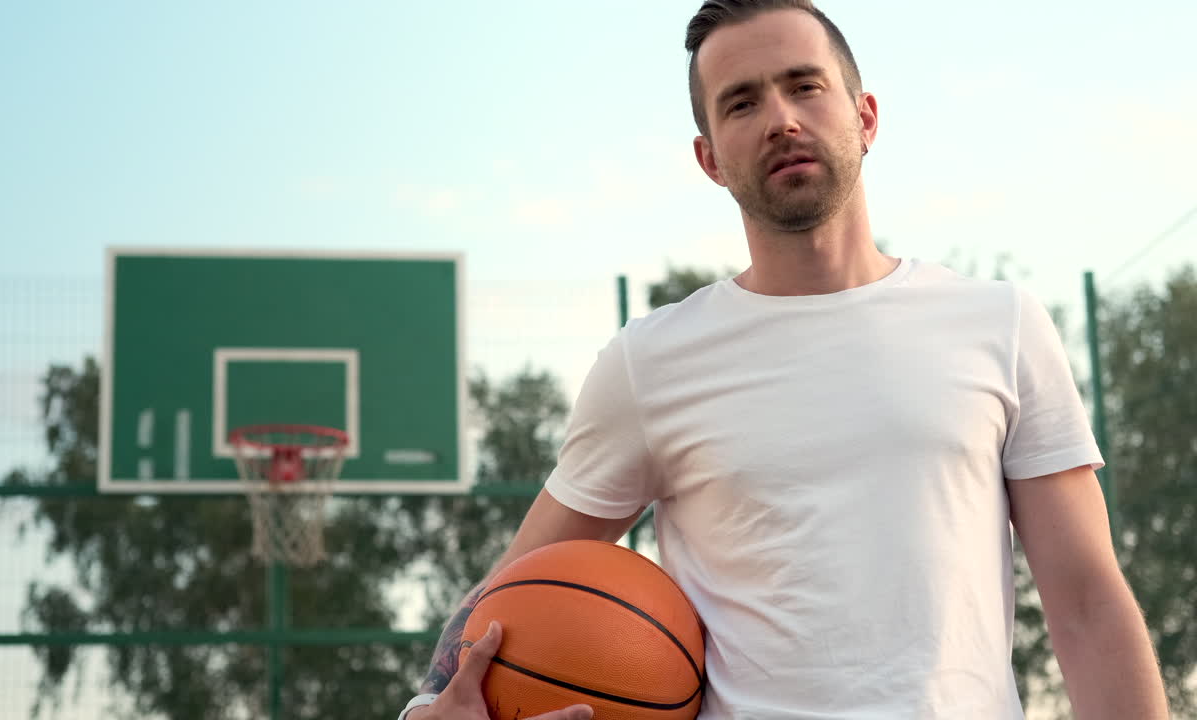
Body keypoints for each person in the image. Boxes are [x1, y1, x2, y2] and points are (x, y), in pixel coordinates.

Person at [397, 1, 1170, 718]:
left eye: (805, 87)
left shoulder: (1000, 324)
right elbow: (511, 586)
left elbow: (1087, 603)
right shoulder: (651, 363)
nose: (781, 120)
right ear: (709, 158)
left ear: (865, 117)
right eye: (742, 102)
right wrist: (431, 706)